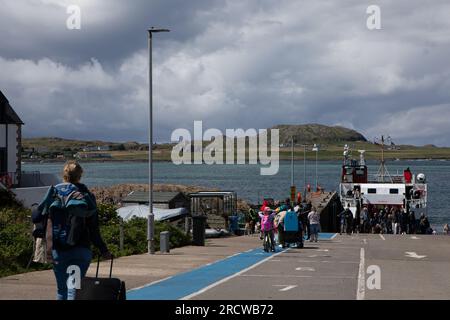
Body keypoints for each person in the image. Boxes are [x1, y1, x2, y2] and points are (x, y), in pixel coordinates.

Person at [32, 161, 111, 300]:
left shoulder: (54, 192)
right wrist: (104, 250)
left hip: (57, 250)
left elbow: (36, 217)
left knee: (62, 290)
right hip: (81, 249)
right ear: (80, 176)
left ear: (64, 175)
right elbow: (94, 229)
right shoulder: (85, 195)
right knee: (74, 288)